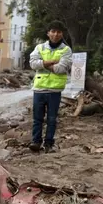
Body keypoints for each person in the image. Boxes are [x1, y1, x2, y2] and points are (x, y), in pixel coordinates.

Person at [29, 20, 73, 153]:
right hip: (39, 88)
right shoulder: (40, 47)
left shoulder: (66, 50)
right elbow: (32, 64)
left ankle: (49, 143)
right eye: (53, 31)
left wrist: (43, 63)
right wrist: (52, 61)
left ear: (62, 34)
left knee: (52, 119)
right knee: (37, 118)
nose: (55, 34)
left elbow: (61, 69)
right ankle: (36, 142)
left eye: (58, 32)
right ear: (48, 33)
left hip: (55, 90)